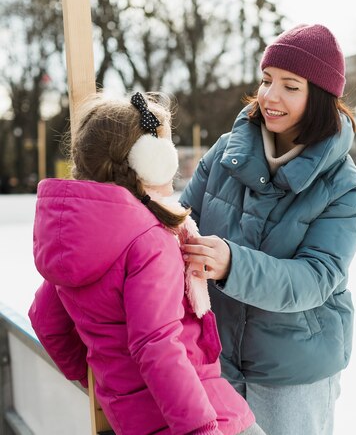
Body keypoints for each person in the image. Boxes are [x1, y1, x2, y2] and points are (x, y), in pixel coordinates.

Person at [28, 92, 265, 435]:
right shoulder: (148, 239)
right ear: (149, 160)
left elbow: (46, 321)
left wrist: (102, 377)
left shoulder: (76, 241)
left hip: (134, 418)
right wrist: (201, 430)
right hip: (199, 413)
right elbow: (158, 347)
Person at [180, 24, 356, 435]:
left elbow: (315, 278)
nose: (270, 96)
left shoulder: (345, 187)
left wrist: (233, 264)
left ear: (318, 96)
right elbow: (179, 220)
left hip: (293, 374)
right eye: (266, 80)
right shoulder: (225, 152)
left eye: (290, 85)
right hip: (217, 360)